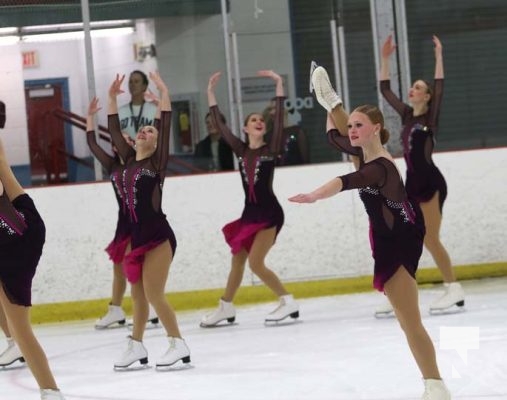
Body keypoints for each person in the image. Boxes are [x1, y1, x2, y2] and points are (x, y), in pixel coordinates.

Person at [290, 65, 451, 400]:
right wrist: (330, 107)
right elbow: (332, 136)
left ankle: (435, 386)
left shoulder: (380, 166)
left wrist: (314, 195)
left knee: (409, 320)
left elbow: (349, 181)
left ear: (377, 128)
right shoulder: (364, 152)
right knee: (406, 319)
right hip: (388, 233)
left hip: (400, 239)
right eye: (350, 124)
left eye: (359, 125)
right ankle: (433, 383)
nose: (351, 130)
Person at [200, 70, 299, 327]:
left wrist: (279, 84)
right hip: (250, 215)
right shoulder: (241, 150)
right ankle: (226, 307)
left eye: (260, 119)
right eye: (252, 119)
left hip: (269, 214)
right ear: (245, 129)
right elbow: (220, 125)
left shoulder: (271, 149)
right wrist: (210, 93)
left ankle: (287, 300)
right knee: (238, 261)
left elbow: (278, 121)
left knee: (255, 263)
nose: (258, 121)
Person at [108, 72, 190, 369]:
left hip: (158, 236)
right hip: (136, 237)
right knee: (138, 296)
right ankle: (136, 346)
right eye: (142, 129)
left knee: (154, 294)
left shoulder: (156, 163)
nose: (145, 131)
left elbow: (165, 124)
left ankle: (177, 343)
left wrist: (164, 90)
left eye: (150, 132)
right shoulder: (128, 159)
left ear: (157, 144)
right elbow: (115, 130)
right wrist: (111, 99)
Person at [378, 34, 464, 315]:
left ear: (426, 97)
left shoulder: (430, 118)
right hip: (411, 184)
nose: (412, 91)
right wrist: (385, 58)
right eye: (412, 87)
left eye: (418, 88)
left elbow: (440, 86)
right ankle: (402, 291)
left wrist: (439, 56)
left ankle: (453, 288)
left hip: (430, 182)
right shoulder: (406, 116)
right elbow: (385, 90)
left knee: (430, 239)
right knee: (406, 238)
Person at [0, 101, 65, 399]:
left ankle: (51, 391)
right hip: (22, 225)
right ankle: (50, 390)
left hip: (16, 240)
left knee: (20, 328)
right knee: (18, 326)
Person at [263, 97, 310, 166]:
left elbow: (306, 162)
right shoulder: (267, 136)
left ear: (285, 109)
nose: (271, 112)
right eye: (270, 109)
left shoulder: (298, 132)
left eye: (275, 108)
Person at [118, 70, 158, 141]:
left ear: (144, 86)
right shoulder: (120, 111)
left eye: (136, 81)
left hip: (148, 151)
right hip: (127, 151)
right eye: (130, 82)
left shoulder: (154, 110)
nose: (133, 84)